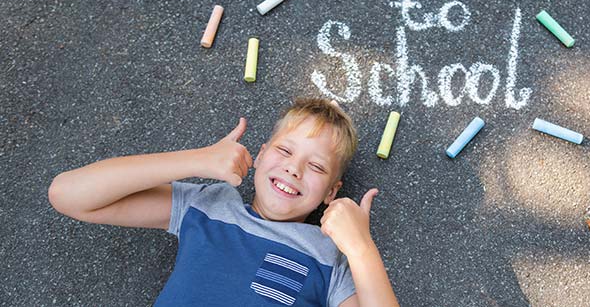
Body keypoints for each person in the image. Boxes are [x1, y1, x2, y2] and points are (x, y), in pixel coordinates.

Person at [48, 98, 399, 306]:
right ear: (259, 156)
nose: (294, 168)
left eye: (316, 166)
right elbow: (68, 194)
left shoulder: (328, 258)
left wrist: (361, 248)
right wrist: (198, 160)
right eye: (285, 150)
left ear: (330, 194)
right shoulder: (209, 206)